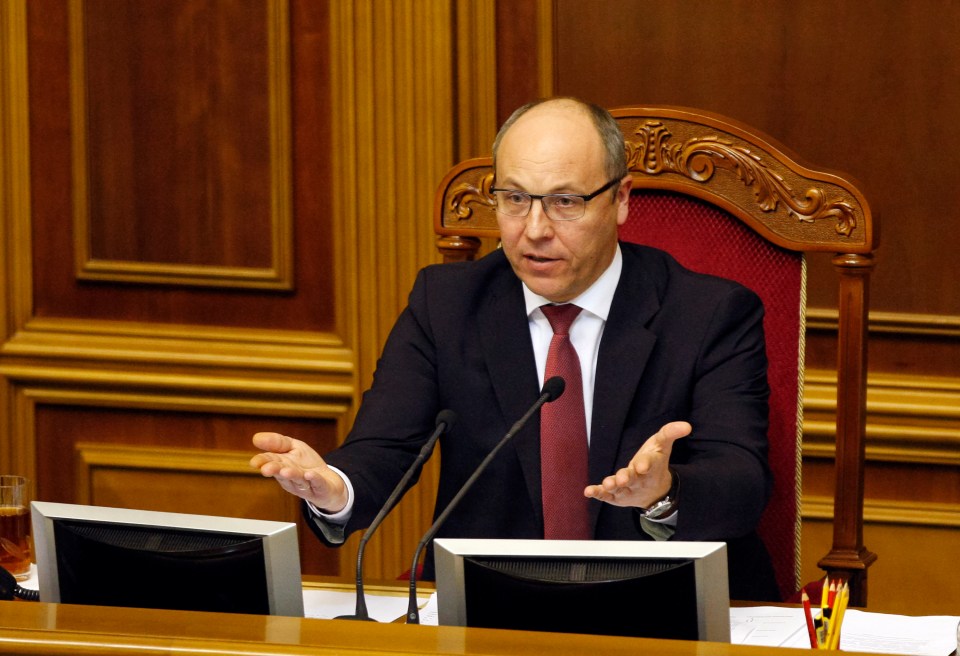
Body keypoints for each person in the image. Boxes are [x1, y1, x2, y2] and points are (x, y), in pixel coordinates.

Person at [250, 97, 780, 601]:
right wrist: (332, 489)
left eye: (565, 202)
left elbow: (742, 480)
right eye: (515, 199)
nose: (534, 230)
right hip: (488, 606)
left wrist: (663, 493)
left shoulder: (708, 313)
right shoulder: (447, 304)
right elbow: (385, 448)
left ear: (620, 200)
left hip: (658, 604)